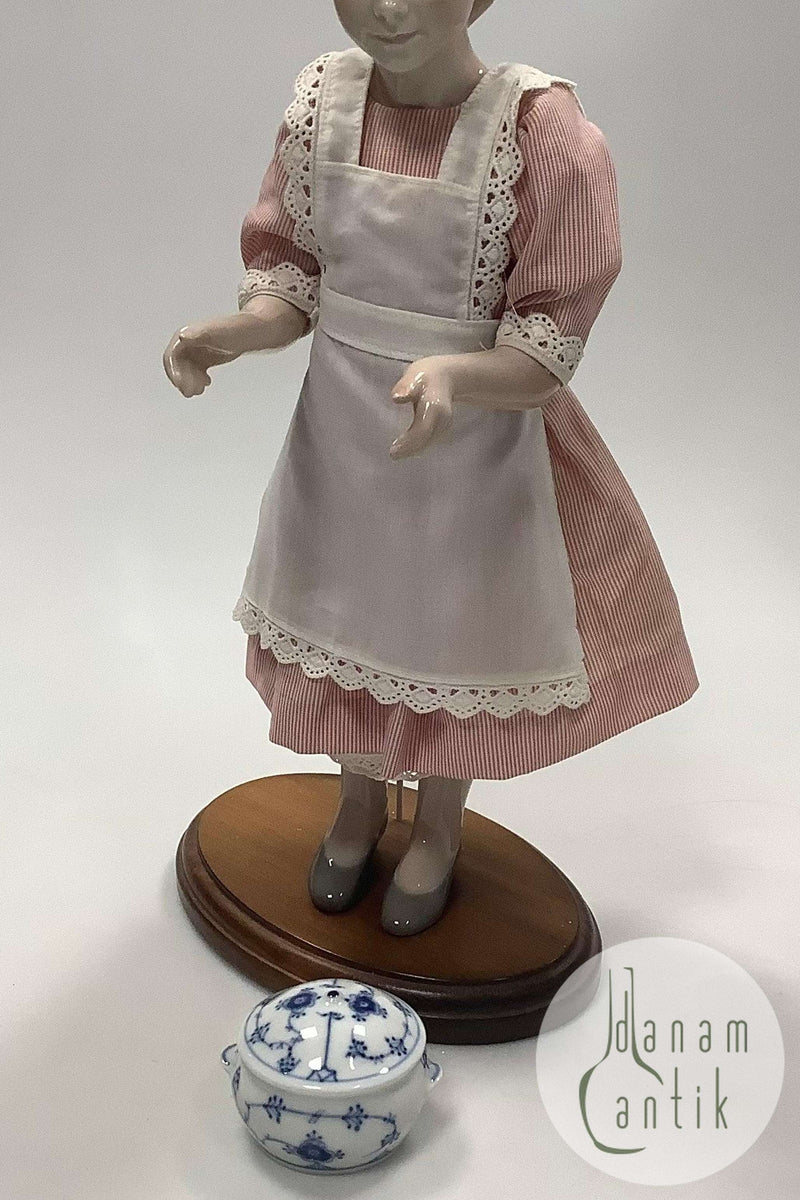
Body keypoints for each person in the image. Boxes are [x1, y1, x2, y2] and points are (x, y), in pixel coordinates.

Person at [163, 0, 699, 937]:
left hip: (477, 448)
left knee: (457, 628)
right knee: (347, 607)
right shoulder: (323, 105)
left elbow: (547, 339)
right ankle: (358, 800)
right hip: (343, 439)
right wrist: (239, 329)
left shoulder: (542, 134)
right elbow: (295, 275)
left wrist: (458, 374)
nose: (390, 7)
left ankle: (439, 824)